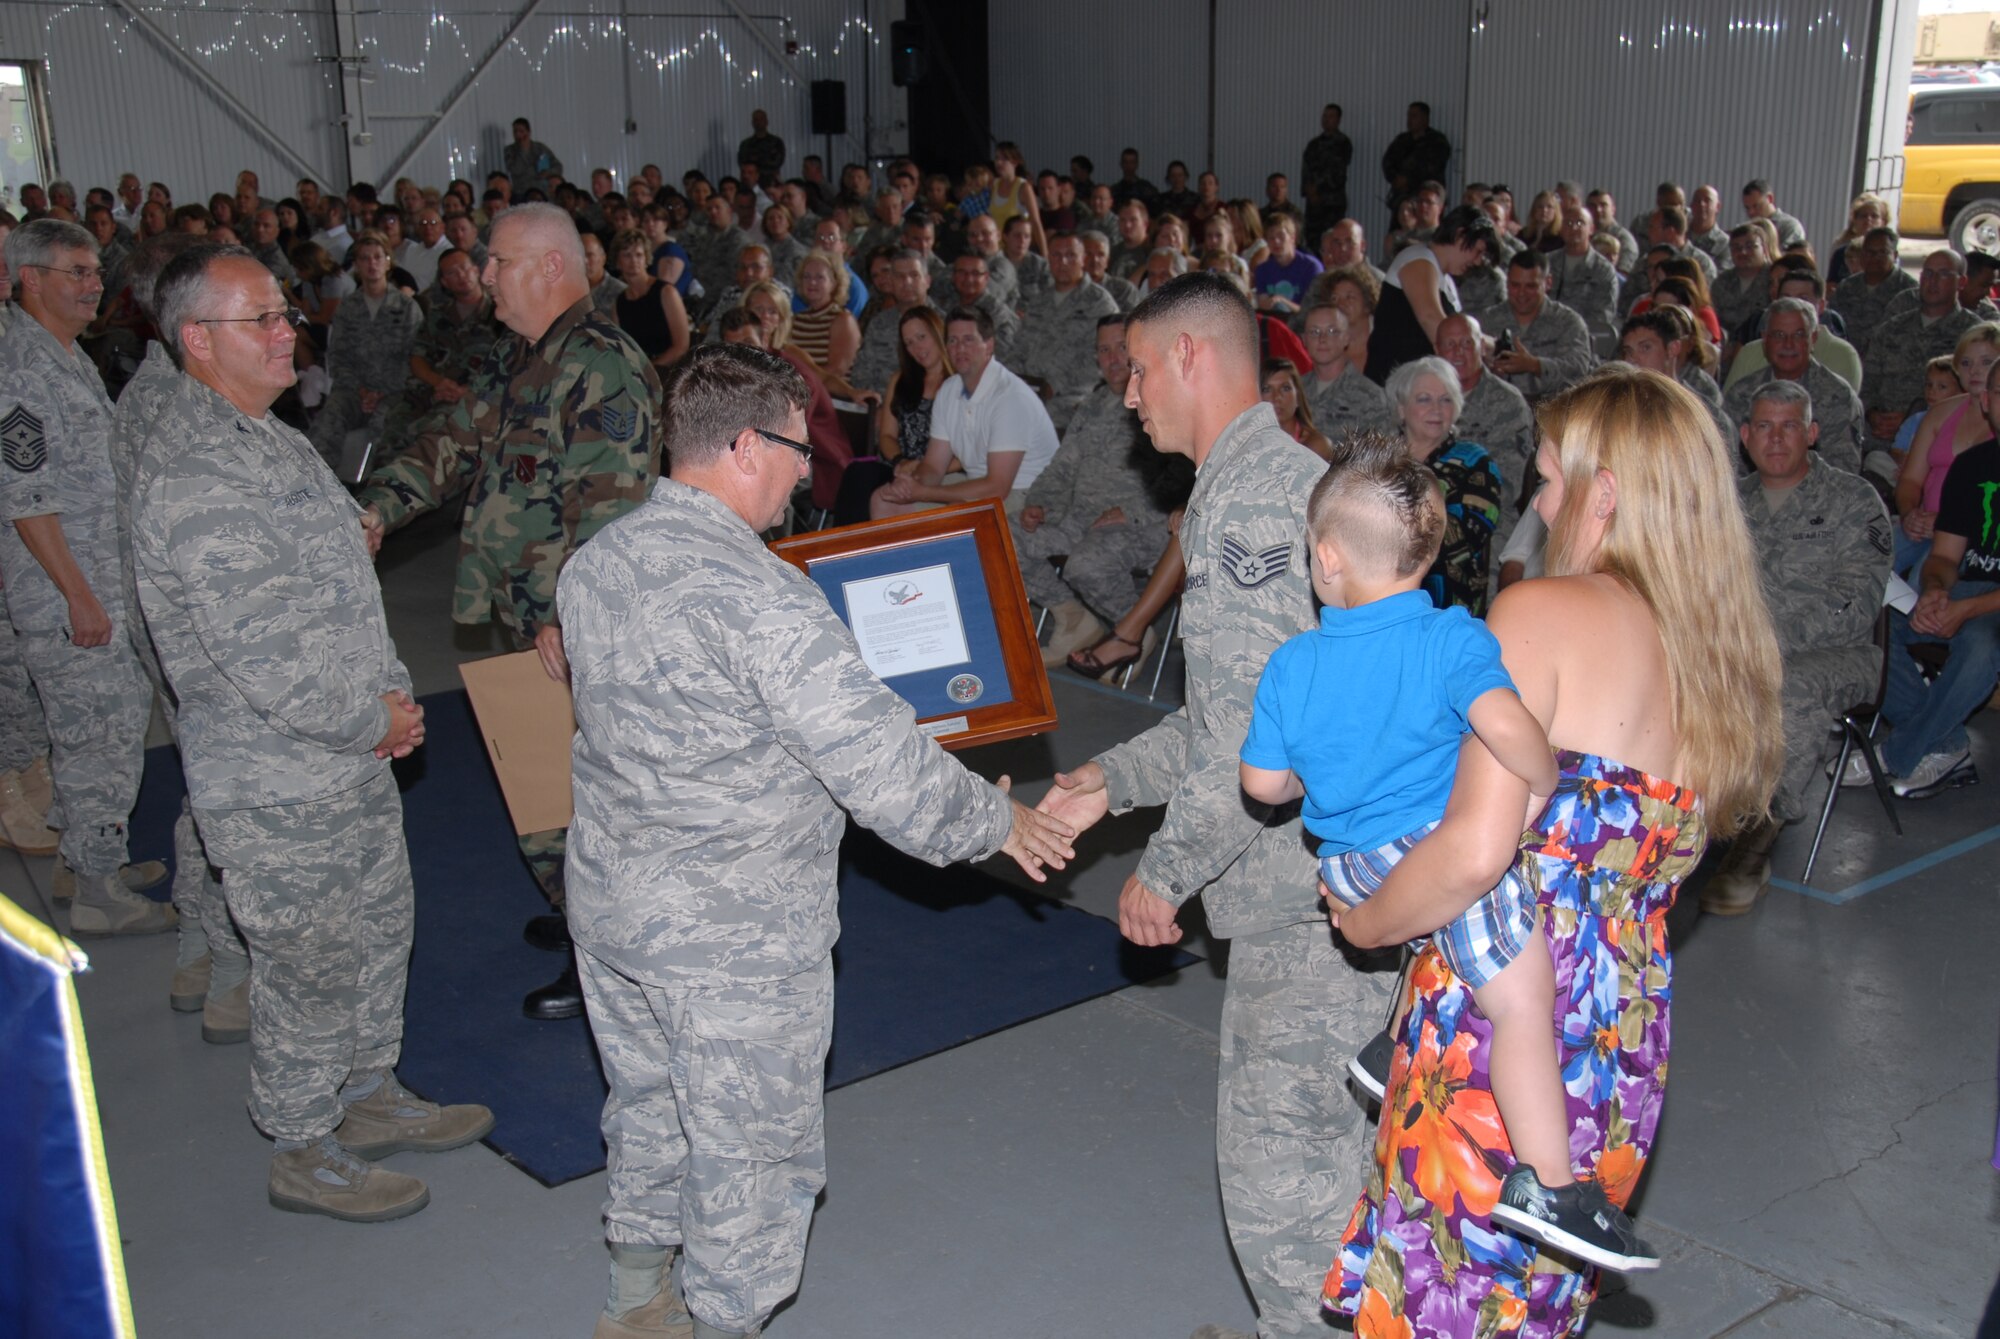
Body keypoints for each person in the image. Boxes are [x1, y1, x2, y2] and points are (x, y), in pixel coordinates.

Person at [559, 342, 1073, 1339]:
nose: (809, 471)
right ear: (746, 444)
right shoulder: (764, 599)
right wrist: (999, 821)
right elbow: (884, 771)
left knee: (649, 1104)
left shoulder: (597, 562)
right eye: (801, 450)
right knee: (750, 1150)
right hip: (733, 936)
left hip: (615, 907)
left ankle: (632, 1301)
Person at [1326, 366, 1783, 1334]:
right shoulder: (1718, 663)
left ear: (1602, 493)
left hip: (1499, 1037)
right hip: (1616, 1035)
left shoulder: (1540, 616)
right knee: (1528, 1309)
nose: (1535, 501)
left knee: (1441, 1302)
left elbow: (1472, 851)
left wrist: (1364, 921)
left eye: (1545, 477)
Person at [1037, 273, 1394, 1339]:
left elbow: (1251, 741)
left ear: (1192, 357)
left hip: (1305, 904)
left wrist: (1162, 870)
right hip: (1343, 885)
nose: (1127, 394)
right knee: (1345, 1165)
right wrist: (1112, 784)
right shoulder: (1281, 482)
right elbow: (1235, 715)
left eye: (1137, 370)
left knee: (1285, 1190)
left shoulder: (1244, 504)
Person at [133, 242, 493, 1223]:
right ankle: (301, 1141)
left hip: (344, 756)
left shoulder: (273, 439)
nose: (291, 329)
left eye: (286, 312)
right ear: (199, 340)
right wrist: (363, 715)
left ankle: (368, 1093)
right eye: (265, 319)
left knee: (377, 929)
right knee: (307, 960)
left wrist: (389, 702)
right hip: (274, 779)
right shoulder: (197, 473)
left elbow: (341, 591)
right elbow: (261, 652)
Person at [1239, 431, 1654, 1272]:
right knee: (1522, 995)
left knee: (1438, 936)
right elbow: (1506, 728)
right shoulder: (1453, 640)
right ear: (1426, 556)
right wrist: (1543, 773)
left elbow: (1264, 783)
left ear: (1325, 559)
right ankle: (1549, 1185)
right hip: (1431, 845)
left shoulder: (1291, 662)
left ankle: (1388, 1046)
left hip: (1350, 861)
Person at [356, 203, 662, 1021]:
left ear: (551, 268)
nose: (482, 276)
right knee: (543, 780)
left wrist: (574, 619)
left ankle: (608, 959)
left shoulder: (600, 365)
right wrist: (376, 508)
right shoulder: (520, 357)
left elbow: (613, 513)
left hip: (573, 629)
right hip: (532, 617)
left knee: (584, 796)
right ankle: (579, 919)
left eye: (496, 262)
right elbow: (449, 442)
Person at [0, 218, 170, 935]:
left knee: (96, 731)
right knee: (99, 738)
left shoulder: (62, 354)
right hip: (70, 595)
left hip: (92, 583)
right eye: (76, 271)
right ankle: (100, 891)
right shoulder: (22, 369)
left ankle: (82, 860)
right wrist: (78, 595)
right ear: (30, 277)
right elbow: (25, 499)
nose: (94, 283)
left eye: (96, 271)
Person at [108, 233, 251, 1026]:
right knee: (228, 803)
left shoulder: (158, 389)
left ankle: (201, 951)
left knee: (206, 793)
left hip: (173, 626)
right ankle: (228, 970)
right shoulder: (183, 405)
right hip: (204, 635)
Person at [1702, 381, 1890, 915]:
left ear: (1811, 433)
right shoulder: (1725, 504)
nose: (1776, 438)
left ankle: (1757, 839)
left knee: (1792, 690)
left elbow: (1856, 602)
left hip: (1835, 654)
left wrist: (1763, 645)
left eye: (1789, 426)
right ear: (1745, 435)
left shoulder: (1854, 501)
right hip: (1737, 652)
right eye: (1764, 425)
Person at [1858, 356, 2000, 799]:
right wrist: (1936, 593)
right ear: (1984, 401)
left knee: (1979, 643)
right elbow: (1943, 556)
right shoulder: (1973, 466)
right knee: (1872, 627)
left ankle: (1897, 754)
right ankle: (1946, 746)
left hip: (1986, 607)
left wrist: (1965, 609)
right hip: (1965, 590)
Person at [1014, 315, 1173, 667]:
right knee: (1005, 538)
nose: (1114, 358)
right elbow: (1062, 467)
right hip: (1081, 518)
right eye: (1105, 350)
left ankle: (1132, 630)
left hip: (1144, 524)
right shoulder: (1094, 404)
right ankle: (1073, 620)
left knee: (1085, 565)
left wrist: (1132, 511)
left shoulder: (1164, 400)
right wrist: (1039, 504)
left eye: (1122, 348)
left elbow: (1185, 479)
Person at [869, 307, 1058, 518]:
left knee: (955, 515)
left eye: (968, 340)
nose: (959, 349)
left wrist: (926, 493)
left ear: (989, 345)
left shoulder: (1010, 397)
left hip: (1027, 494)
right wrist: (911, 484)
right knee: (883, 499)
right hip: (977, 483)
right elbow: (933, 466)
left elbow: (997, 487)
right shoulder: (949, 390)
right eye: (952, 341)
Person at [1387, 355, 1502, 614]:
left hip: (1450, 602)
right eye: (1424, 399)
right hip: (1379, 598)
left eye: (1446, 399)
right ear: (1401, 408)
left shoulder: (1476, 462)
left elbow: (1464, 537)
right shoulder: (1379, 461)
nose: (1436, 409)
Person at [305, 232, 420, 469]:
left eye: (378, 257)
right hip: (353, 391)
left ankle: (380, 492)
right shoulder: (347, 307)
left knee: (387, 426)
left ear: (388, 261)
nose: (372, 263)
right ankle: (324, 487)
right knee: (327, 421)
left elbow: (416, 359)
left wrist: (380, 392)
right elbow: (337, 357)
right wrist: (361, 391)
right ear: (356, 265)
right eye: (365, 258)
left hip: (395, 392)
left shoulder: (406, 307)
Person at [1893, 324, 2000, 573]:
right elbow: (1910, 479)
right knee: (1868, 560)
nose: (1974, 370)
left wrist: (1945, 523)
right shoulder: (1940, 413)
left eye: (1986, 362)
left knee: (1922, 579)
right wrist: (1910, 514)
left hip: (1971, 534)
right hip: (1921, 523)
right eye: (1965, 363)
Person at [377, 247, 500, 459]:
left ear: (477, 270)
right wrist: (439, 382)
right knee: (393, 427)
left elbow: (509, 368)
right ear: (444, 282)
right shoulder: (438, 315)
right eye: (452, 273)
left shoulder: (498, 315)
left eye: (464, 268)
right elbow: (417, 358)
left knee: (427, 434)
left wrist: (466, 392)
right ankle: (379, 487)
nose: (461, 276)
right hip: (431, 391)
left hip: (475, 398)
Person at [835, 304, 952, 525]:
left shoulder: (957, 382)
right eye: (909, 343)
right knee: (859, 473)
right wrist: (901, 460)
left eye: (921, 337)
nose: (917, 347)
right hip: (900, 464)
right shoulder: (901, 380)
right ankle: (845, 551)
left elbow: (968, 449)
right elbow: (887, 435)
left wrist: (922, 465)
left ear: (938, 332)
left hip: (942, 468)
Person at [1721, 298, 1865, 474]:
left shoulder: (1838, 396)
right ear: (1765, 340)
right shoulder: (1741, 393)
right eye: (1779, 335)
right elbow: (1726, 461)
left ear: (1813, 339)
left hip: (1817, 497)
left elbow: (1843, 470)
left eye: (1798, 335)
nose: (1788, 344)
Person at [1863, 249, 1982, 454]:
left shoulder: (1973, 336)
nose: (1932, 281)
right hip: (1881, 440)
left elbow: (1977, 396)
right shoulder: (1892, 328)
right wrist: (1872, 414)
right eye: (1927, 273)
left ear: (1961, 282)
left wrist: (1913, 418)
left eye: (1943, 274)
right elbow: (1866, 384)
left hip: (1944, 442)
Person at [1364, 205, 1496, 385]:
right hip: (1392, 386)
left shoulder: (1446, 280)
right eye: (1478, 251)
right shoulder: (1417, 258)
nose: (1479, 261)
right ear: (1460, 235)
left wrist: (1492, 346)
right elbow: (1432, 321)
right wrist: (1482, 347)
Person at [1435, 312, 1536, 540]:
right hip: (1429, 518)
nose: (1458, 352)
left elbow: (1508, 485)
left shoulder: (1507, 403)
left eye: (1467, 343)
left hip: (1489, 520)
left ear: (1481, 346)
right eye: (1450, 344)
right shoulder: (1423, 399)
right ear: (1437, 350)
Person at [1014, 233, 1122, 431]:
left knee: (1042, 420)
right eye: (1056, 255)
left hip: (1073, 396)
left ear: (1083, 259)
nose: (1063, 262)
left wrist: (1054, 384)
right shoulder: (1039, 302)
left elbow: (1101, 359)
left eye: (1071, 255)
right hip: (1029, 389)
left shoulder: (1099, 304)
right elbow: (1019, 346)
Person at [1301, 301, 1392, 437]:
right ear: (1304, 340)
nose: (1322, 339)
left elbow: (1380, 454)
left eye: (1332, 331)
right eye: (1314, 332)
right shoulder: (1294, 391)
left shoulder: (1371, 396)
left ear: (1346, 338)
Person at [610, 228, 691, 370]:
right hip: (637, 370)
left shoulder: (666, 292)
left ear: (646, 258)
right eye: (627, 255)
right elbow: (619, 348)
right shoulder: (619, 302)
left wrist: (648, 372)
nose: (634, 260)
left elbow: (681, 346)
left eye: (639, 255)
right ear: (618, 261)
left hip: (668, 370)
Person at [1381, 101, 1451, 212]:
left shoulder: (1437, 141)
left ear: (1425, 118)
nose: (1409, 120)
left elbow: (1434, 167)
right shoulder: (1402, 140)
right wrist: (1395, 179)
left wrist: (1409, 180)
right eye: (1408, 116)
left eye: (1414, 116)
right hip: (1403, 199)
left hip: (1427, 199)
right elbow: (1388, 162)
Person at [1301, 103, 1353, 246]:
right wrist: (1309, 189)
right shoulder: (1314, 144)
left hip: (1332, 202)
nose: (1326, 119)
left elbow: (1337, 171)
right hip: (1313, 203)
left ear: (1338, 120)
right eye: (1324, 116)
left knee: (1332, 240)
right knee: (1312, 240)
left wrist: (1318, 188)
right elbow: (1306, 169)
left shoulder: (1343, 143)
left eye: (1330, 116)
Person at [1261, 356, 1332, 459]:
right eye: (1267, 389)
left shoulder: (1316, 446)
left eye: (1285, 388)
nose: (1276, 397)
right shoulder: (1248, 446)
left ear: (1298, 396)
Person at [504, 117, 563, 199]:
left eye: (521, 131)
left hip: (542, 193)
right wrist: (523, 150)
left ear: (528, 132)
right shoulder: (509, 150)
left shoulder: (540, 148)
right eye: (515, 131)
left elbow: (558, 166)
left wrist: (548, 173)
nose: (518, 135)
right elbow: (515, 170)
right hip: (521, 194)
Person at [736, 108, 784, 184]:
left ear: (766, 121)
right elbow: (743, 163)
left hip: (770, 181)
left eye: (761, 119)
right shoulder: (746, 144)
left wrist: (757, 162)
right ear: (752, 123)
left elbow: (777, 163)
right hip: (751, 182)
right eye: (756, 120)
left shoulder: (776, 142)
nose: (758, 122)